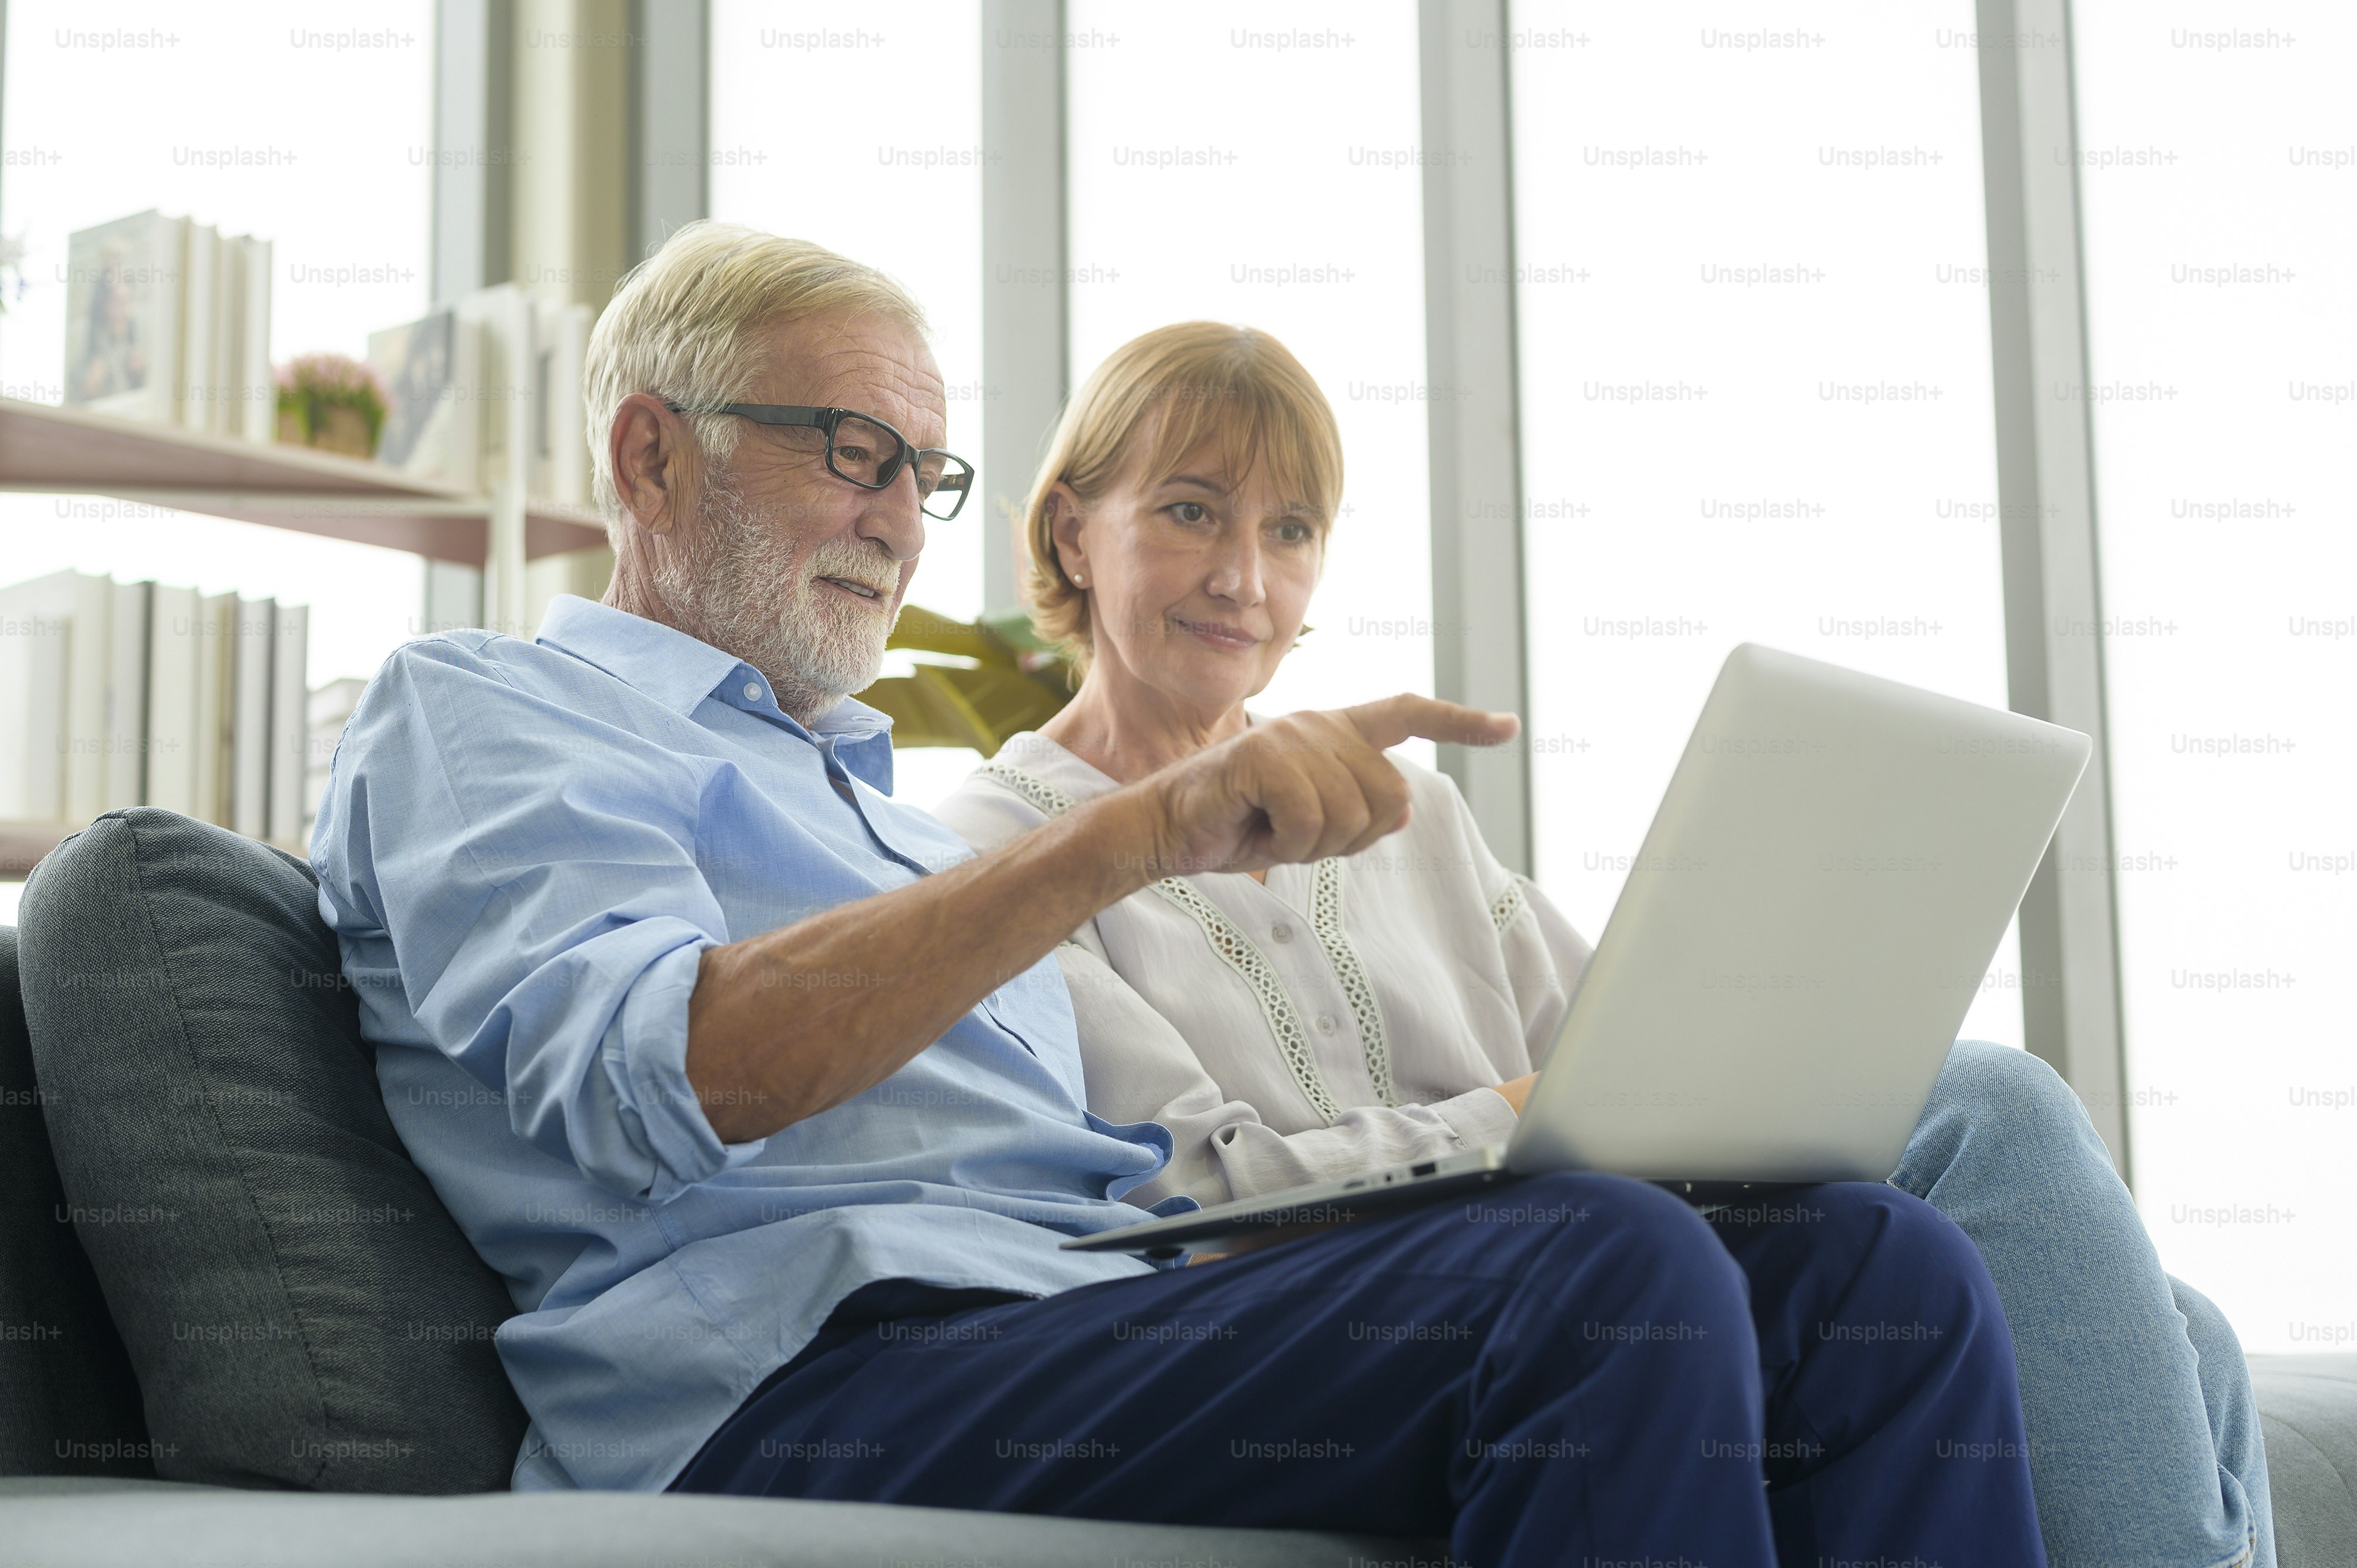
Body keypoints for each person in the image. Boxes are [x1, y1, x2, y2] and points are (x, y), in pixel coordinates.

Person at [310, 222, 2048, 1566]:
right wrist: (1130, 832)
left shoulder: (883, 818)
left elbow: (1155, 1182)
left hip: (1079, 1302)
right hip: (795, 1377)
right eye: (849, 447)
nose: (900, 517)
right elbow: (678, 1073)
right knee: (1599, 1264)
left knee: (1863, 1259)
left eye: (927, 469)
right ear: (647, 456)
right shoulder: (488, 711)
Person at [934, 321, 2274, 1568]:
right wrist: (1508, 1118)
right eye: (1189, 511)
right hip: (1371, 1325)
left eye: (1291, 530)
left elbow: (1621, 1055)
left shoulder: (1416, 817)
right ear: (1069, 528)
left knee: (2174, 1331)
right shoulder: (1004, 844)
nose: (1245, 575)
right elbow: (1190, 1198)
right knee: (1995, 1103)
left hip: (1620, 1270)